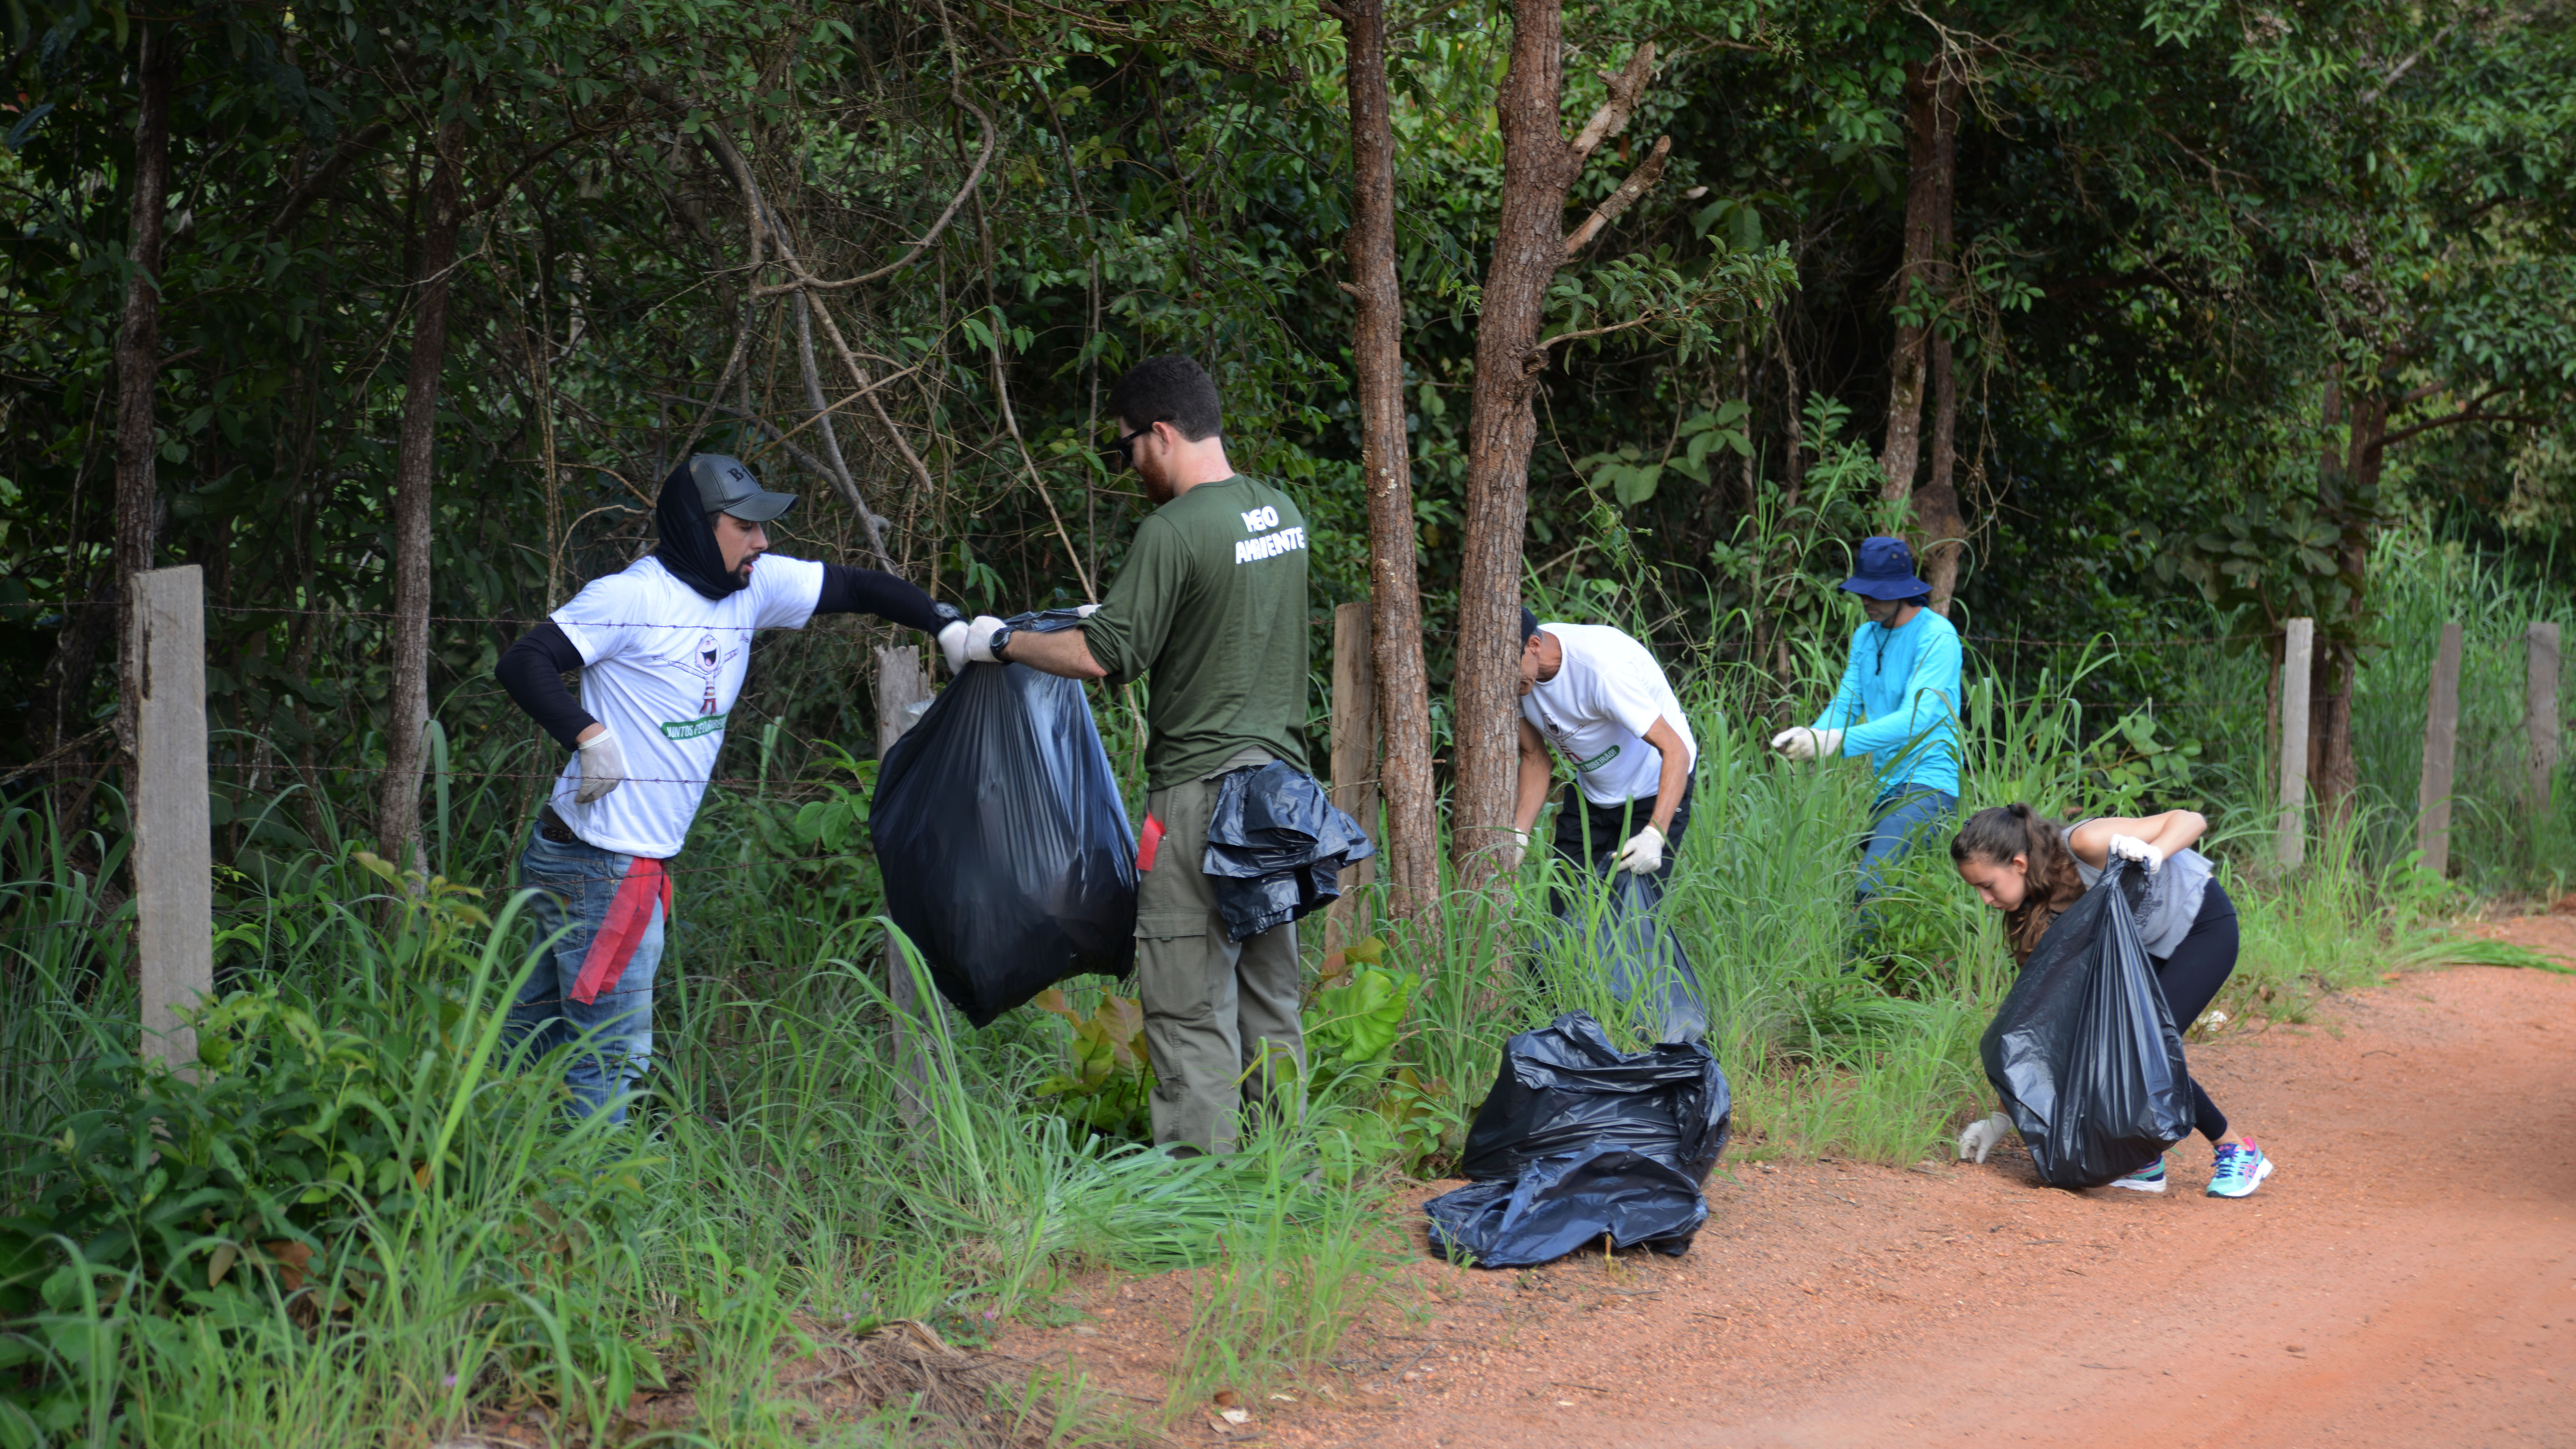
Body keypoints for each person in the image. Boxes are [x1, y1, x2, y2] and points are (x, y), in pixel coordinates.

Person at [495, 453, 963, 1122]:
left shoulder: (754, 586)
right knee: (613, 1053)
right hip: (604, 866)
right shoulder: (634, 597)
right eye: (745, 527)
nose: (763, 542)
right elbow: (525, 660)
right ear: (697, 525)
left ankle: (477, 1154)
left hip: (602, 858)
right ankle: (595, 1201)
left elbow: (856, 588)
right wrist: (587, 736)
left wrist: (943, 622)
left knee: (536, 1032)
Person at [954, 354, 1311, 1155]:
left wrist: (1001, 641)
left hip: (1198, 797)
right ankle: (1289, 1179)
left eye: (1124, 452)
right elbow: (1217, 616)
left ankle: (1202, 1192)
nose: (1127, 471)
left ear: (1159, 434)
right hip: (1282, 794)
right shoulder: (1280, 515)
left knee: (1186, 1002)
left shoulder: (1172, 528)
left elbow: (1101, 657)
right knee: (1269, 992)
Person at [1949, 804, 2274, 1199]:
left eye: (1987, 885)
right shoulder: (2034, 913)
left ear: (2018, 863)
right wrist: (1999, 1120)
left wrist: (2157, 851)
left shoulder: (2083, 843)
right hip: (2143, 948)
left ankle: (2236, 1149)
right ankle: (2144, 1160)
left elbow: (2191, 820)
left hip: (2199, 925)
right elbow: (2040, 1025)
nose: (1984, 900)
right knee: (2091, 1041)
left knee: (2143, 1048)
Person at [1769, 536, 1962, 903]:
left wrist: (1836, 742)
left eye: (1877, 592)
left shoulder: (1937, 637)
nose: (1866, 601)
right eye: (1863, 591)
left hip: (1930, 782)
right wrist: (1810, 736)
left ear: (1904, 590)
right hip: (1885, 786)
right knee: (1891, 893)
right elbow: (1846, 703)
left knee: (1871, 883)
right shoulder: (1865, 636)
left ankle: (1855, 964)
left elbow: (1916, 719)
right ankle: (1883, 960)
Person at [1512, 607, 1698, 884]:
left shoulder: (1603, 670)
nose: (1507, 681)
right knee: (1564, 908)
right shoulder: (1514, 677)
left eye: (1511, 668)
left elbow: (1676, 749)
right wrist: (1518, 837)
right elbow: (1535, 759)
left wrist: (1654, 835)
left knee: (1630, 917)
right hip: (1593, 794)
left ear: (1535, 645)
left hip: (1654, 789)